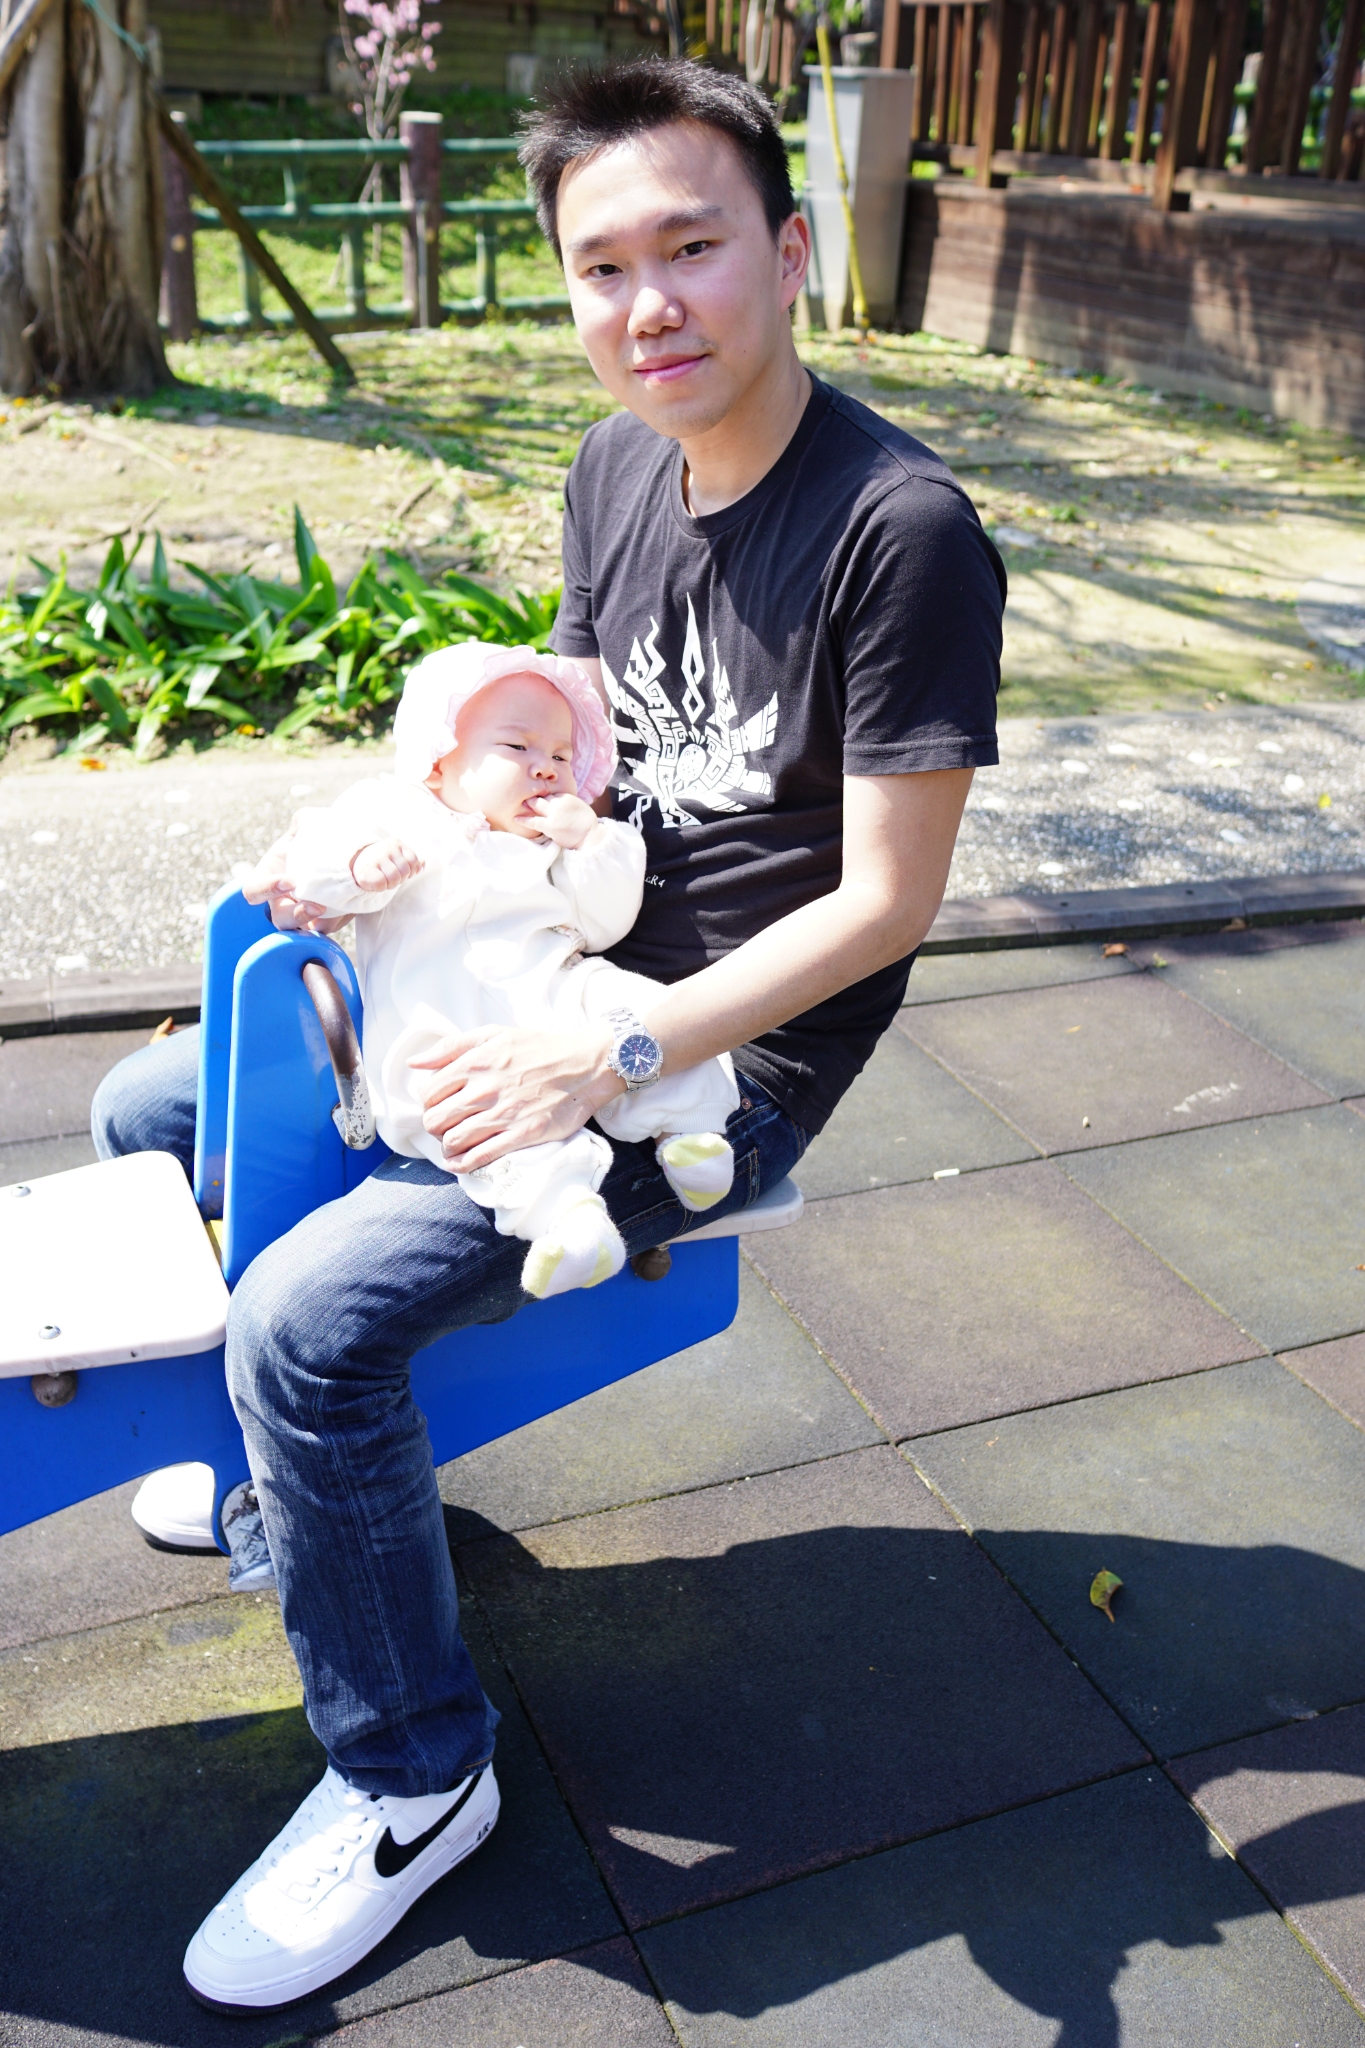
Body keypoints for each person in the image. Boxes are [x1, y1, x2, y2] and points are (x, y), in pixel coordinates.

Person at [90, 56, 1004, 2014]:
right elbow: (559, 746)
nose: (647, 304)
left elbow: (885, 903)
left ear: (790, 248)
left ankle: (414, 1771)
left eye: (692, 247)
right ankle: (291, 1486)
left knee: (304, 1325)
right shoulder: (617, 465)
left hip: (707, 1062)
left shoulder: (899, 529)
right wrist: (391, 853)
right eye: (602, 267)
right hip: (535, 953)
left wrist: (613, 1055)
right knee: (152, 1103)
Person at [277, 638, 740, 1296]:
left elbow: (605, 922)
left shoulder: (552, 843)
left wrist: (593, 843)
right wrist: (356, 864)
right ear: (437, 759)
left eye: (561, 756)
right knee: (472, 1115)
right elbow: (311, 864)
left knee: (640, 1007)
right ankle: (568, 1220)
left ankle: (692, 1131)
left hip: (555, 992)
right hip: (442, 1022)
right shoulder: (390, 813)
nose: (546, 768)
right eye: (518, 747)